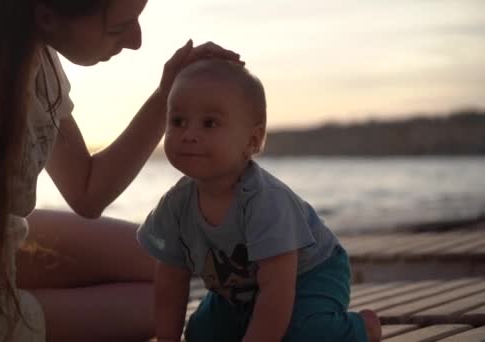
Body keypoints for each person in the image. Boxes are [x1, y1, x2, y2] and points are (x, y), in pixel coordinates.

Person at [0, 0, 242, 341]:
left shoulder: (36, 49)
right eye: (119, 27)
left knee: (180, 263)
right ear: (47, 11)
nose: (136, 41)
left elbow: (87, 188)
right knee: (160, 306)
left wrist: (167, 94)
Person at [137, 59, 383, 342]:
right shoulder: (176, 205)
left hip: (308, 275)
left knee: (301, 334)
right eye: (178, 121)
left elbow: (277, 291)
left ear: (252, 141)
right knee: (201, 334)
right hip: (239, 291)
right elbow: (170, 282)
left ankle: (362, 327)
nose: (189, 135)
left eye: (209, 123)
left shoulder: (265, 202)